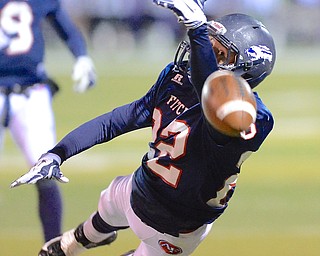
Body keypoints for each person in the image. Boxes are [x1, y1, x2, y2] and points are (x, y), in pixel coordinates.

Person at [10, 0, 276, 255]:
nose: (201, 53)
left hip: (176, 228)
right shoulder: (177, 78)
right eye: (208, 44)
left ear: (245, 70)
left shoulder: (249, 118)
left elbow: (213, 98)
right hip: (140, 187)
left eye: (217, 53)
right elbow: (117, 120)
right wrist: (58, 153)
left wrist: (197, 29)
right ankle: (73, 242)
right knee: (108, 203)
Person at [0, 0, 96, 243]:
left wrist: (82, 56)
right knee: (45, 173)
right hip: (30, 92)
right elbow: (68, 29)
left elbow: (66, 27)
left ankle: (52, 245)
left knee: (45, 170)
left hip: (31, 92)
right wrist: (81, 56)